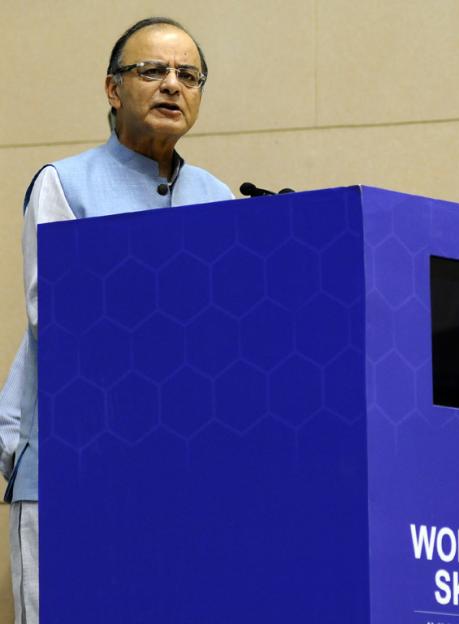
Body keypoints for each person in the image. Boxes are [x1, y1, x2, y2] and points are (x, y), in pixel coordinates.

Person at [0, 17, 233, 623]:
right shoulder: (65, 184)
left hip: (187, 483)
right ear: (112, 89)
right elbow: (62, 323)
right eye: (152, 70)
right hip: (71, 474)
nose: (172, 85)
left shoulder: (220, 200)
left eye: (188, 75)